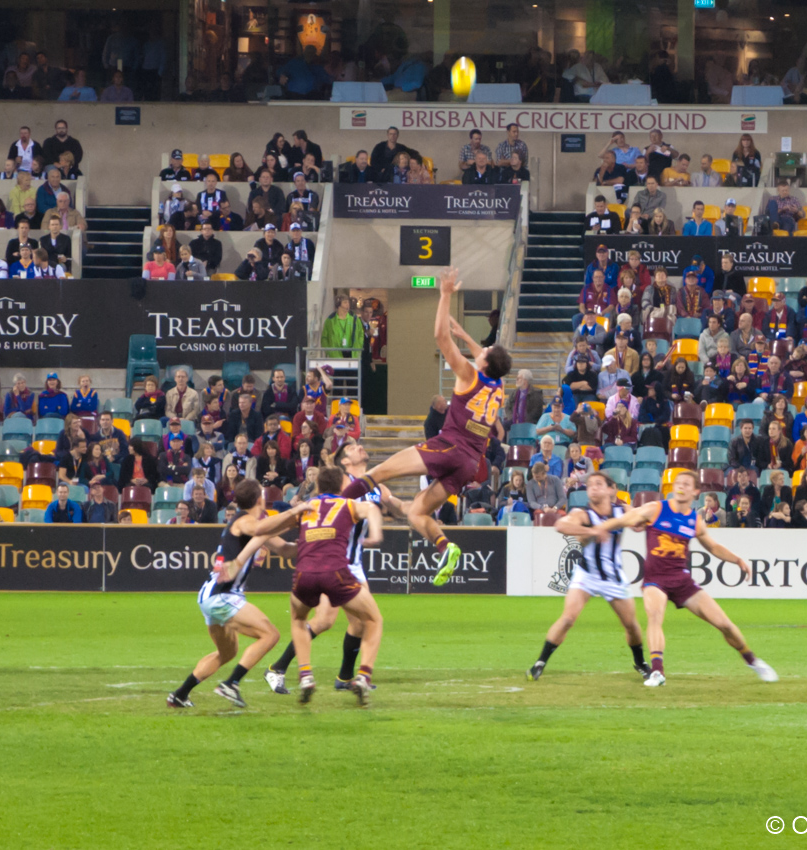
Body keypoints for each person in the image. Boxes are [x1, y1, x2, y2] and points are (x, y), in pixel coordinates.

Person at [341, 267, 510, 587]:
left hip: (449, 447)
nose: (480, 351)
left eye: (483, 352)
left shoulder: (469, 375)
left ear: (484, 363)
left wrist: (445, 295)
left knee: (376, 474)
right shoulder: (498, 387)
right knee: (416, 514)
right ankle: (446, 547)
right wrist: (469, 339)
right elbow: (486, 357)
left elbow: (439, 338)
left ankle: (332, 509)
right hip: (470, 463)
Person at [590, 471, 778, 688]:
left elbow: (713, 547)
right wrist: (599, 529)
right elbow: (624, 519)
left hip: (682, 581)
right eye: (678, 482)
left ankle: (753, 661)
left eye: (686, 484)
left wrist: (738, 560)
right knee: (654, 616)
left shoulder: (694, 520)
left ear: (695, 491)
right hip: (655, 579)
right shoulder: (656, 509)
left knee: (724, 624)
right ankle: (657, 672)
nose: (680, 486)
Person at [263, 441, 405, 696]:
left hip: (354, 562)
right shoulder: (343, 486)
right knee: (329, 620)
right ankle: (280, 667)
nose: (360, 447)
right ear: (344, 461)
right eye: (353, 447)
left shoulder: (376, 485)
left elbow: (399, 509)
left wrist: (402, 507)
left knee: (359, 623)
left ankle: (344, 676)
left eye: (360, 445)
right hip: (335, 561)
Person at [166, 482, 304, 709]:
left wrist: (306, 543)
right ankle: (231, 683)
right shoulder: (245, 521)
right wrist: (294, 513)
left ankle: (180, 694)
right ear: (259, 499)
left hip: (211, 594)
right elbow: (264, 528)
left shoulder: (253, 525)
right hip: (224, 594)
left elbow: (285, 549)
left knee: (227, 652)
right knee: (270, 635)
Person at [527, 471, 649, 682]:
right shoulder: (583, 514)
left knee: (631, 624)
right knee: (567, 618)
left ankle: (640, 662)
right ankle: (540, 662)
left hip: (613, 576)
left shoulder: (622, 510)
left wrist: (641, 523)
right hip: (587, 575)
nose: (593, 488)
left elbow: (641, 521)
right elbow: (560, 525)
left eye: (599, 484)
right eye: (590, 485)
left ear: (611, 489)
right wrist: (593, 532)